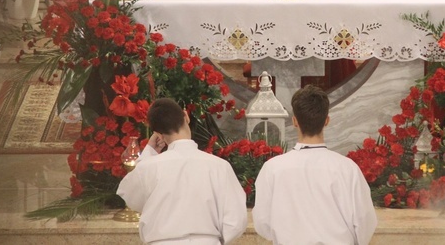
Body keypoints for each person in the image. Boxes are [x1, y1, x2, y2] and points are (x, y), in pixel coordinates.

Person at [252, 85, 377, 245]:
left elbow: (263, 223)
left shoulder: (273, 169)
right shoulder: (347, 169)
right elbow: (364, 220)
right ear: (327, 121)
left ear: (295, 121)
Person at [116, 98, 247, 245]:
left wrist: (150, 151)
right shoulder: (219, 166)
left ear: (158, 134)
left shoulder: (148, 167)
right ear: (186, 116)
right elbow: (236, 219)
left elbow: (131, 198)